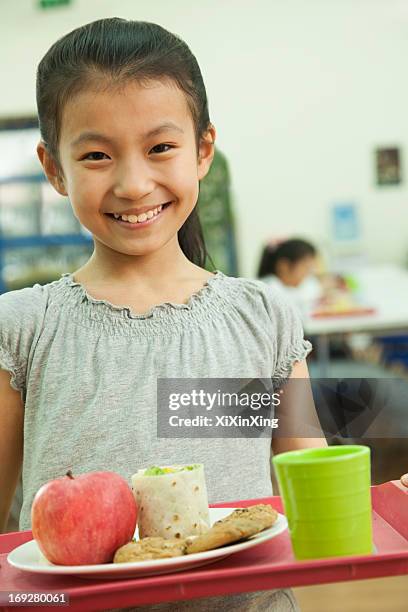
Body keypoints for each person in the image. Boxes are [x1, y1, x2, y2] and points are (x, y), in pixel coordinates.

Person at [0, 18, 327, 611]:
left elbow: (312, 481)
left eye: (160, 147)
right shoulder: (23, 328)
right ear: (54, 169)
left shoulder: (262, 320)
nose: (133, 183)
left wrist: (384, 500)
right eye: (97, 154)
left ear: (202, 149)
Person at [258, 238, 322, 315]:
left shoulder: (307, 284)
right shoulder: (268, 290)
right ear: (283, 266)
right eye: (305, 266)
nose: (309, 272)